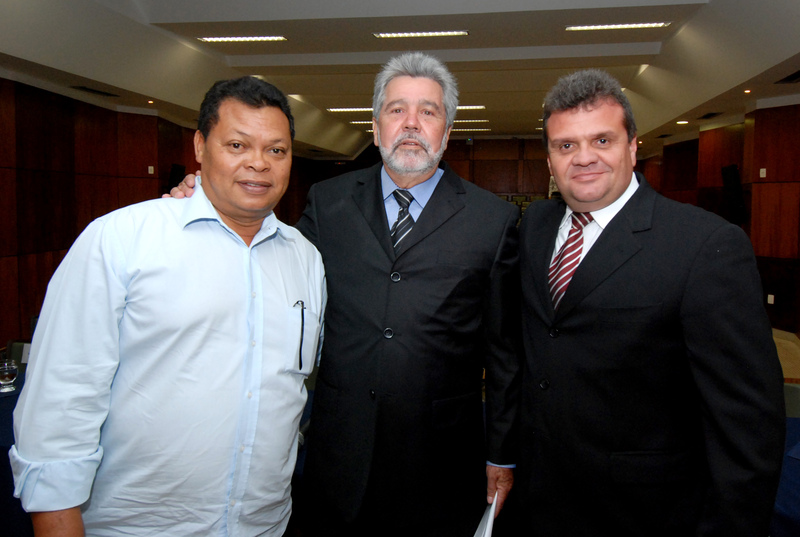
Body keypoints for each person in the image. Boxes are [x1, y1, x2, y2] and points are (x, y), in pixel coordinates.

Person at [172, 52, 521, 536]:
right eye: (396, 110)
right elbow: (271, 267)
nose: (411, 123)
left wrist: (502, 453)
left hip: (440, 454)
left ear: (447, 130)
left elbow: (504, 351)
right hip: (338, 449)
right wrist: (207, 202)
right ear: (375, 128)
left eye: (428, 111)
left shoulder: (493, 220)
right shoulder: (328, 201)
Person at [10, 76, 326, 536]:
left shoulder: (305, 259)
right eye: (237, 145)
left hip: (265, 524)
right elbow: (62, 399)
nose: (258, 163)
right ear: (200, 146)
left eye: (276, 150)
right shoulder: (122, 240)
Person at [517, 69, 786, 536]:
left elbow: (747, 423)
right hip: (540, 499)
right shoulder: (534, 226)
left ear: (632, 146)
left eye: (602, 140)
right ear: (549, 160)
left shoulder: (704, 245)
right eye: (566, 145)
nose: (584, 157)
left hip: (647, 513)